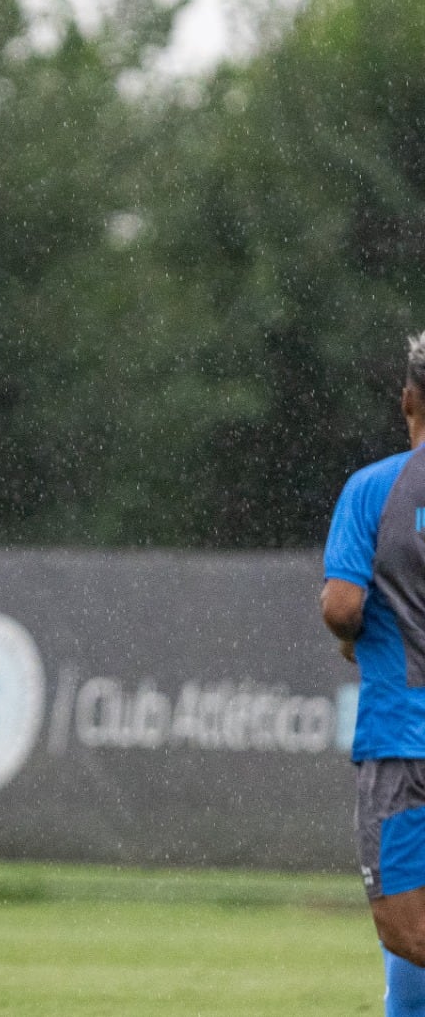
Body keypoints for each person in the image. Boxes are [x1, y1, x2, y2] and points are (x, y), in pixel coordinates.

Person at [322, 330, 425, 1015]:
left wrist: (351, 636)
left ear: (408, 399)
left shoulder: (374, 488)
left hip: (405, 735)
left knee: (405, 927)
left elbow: (342, 605)